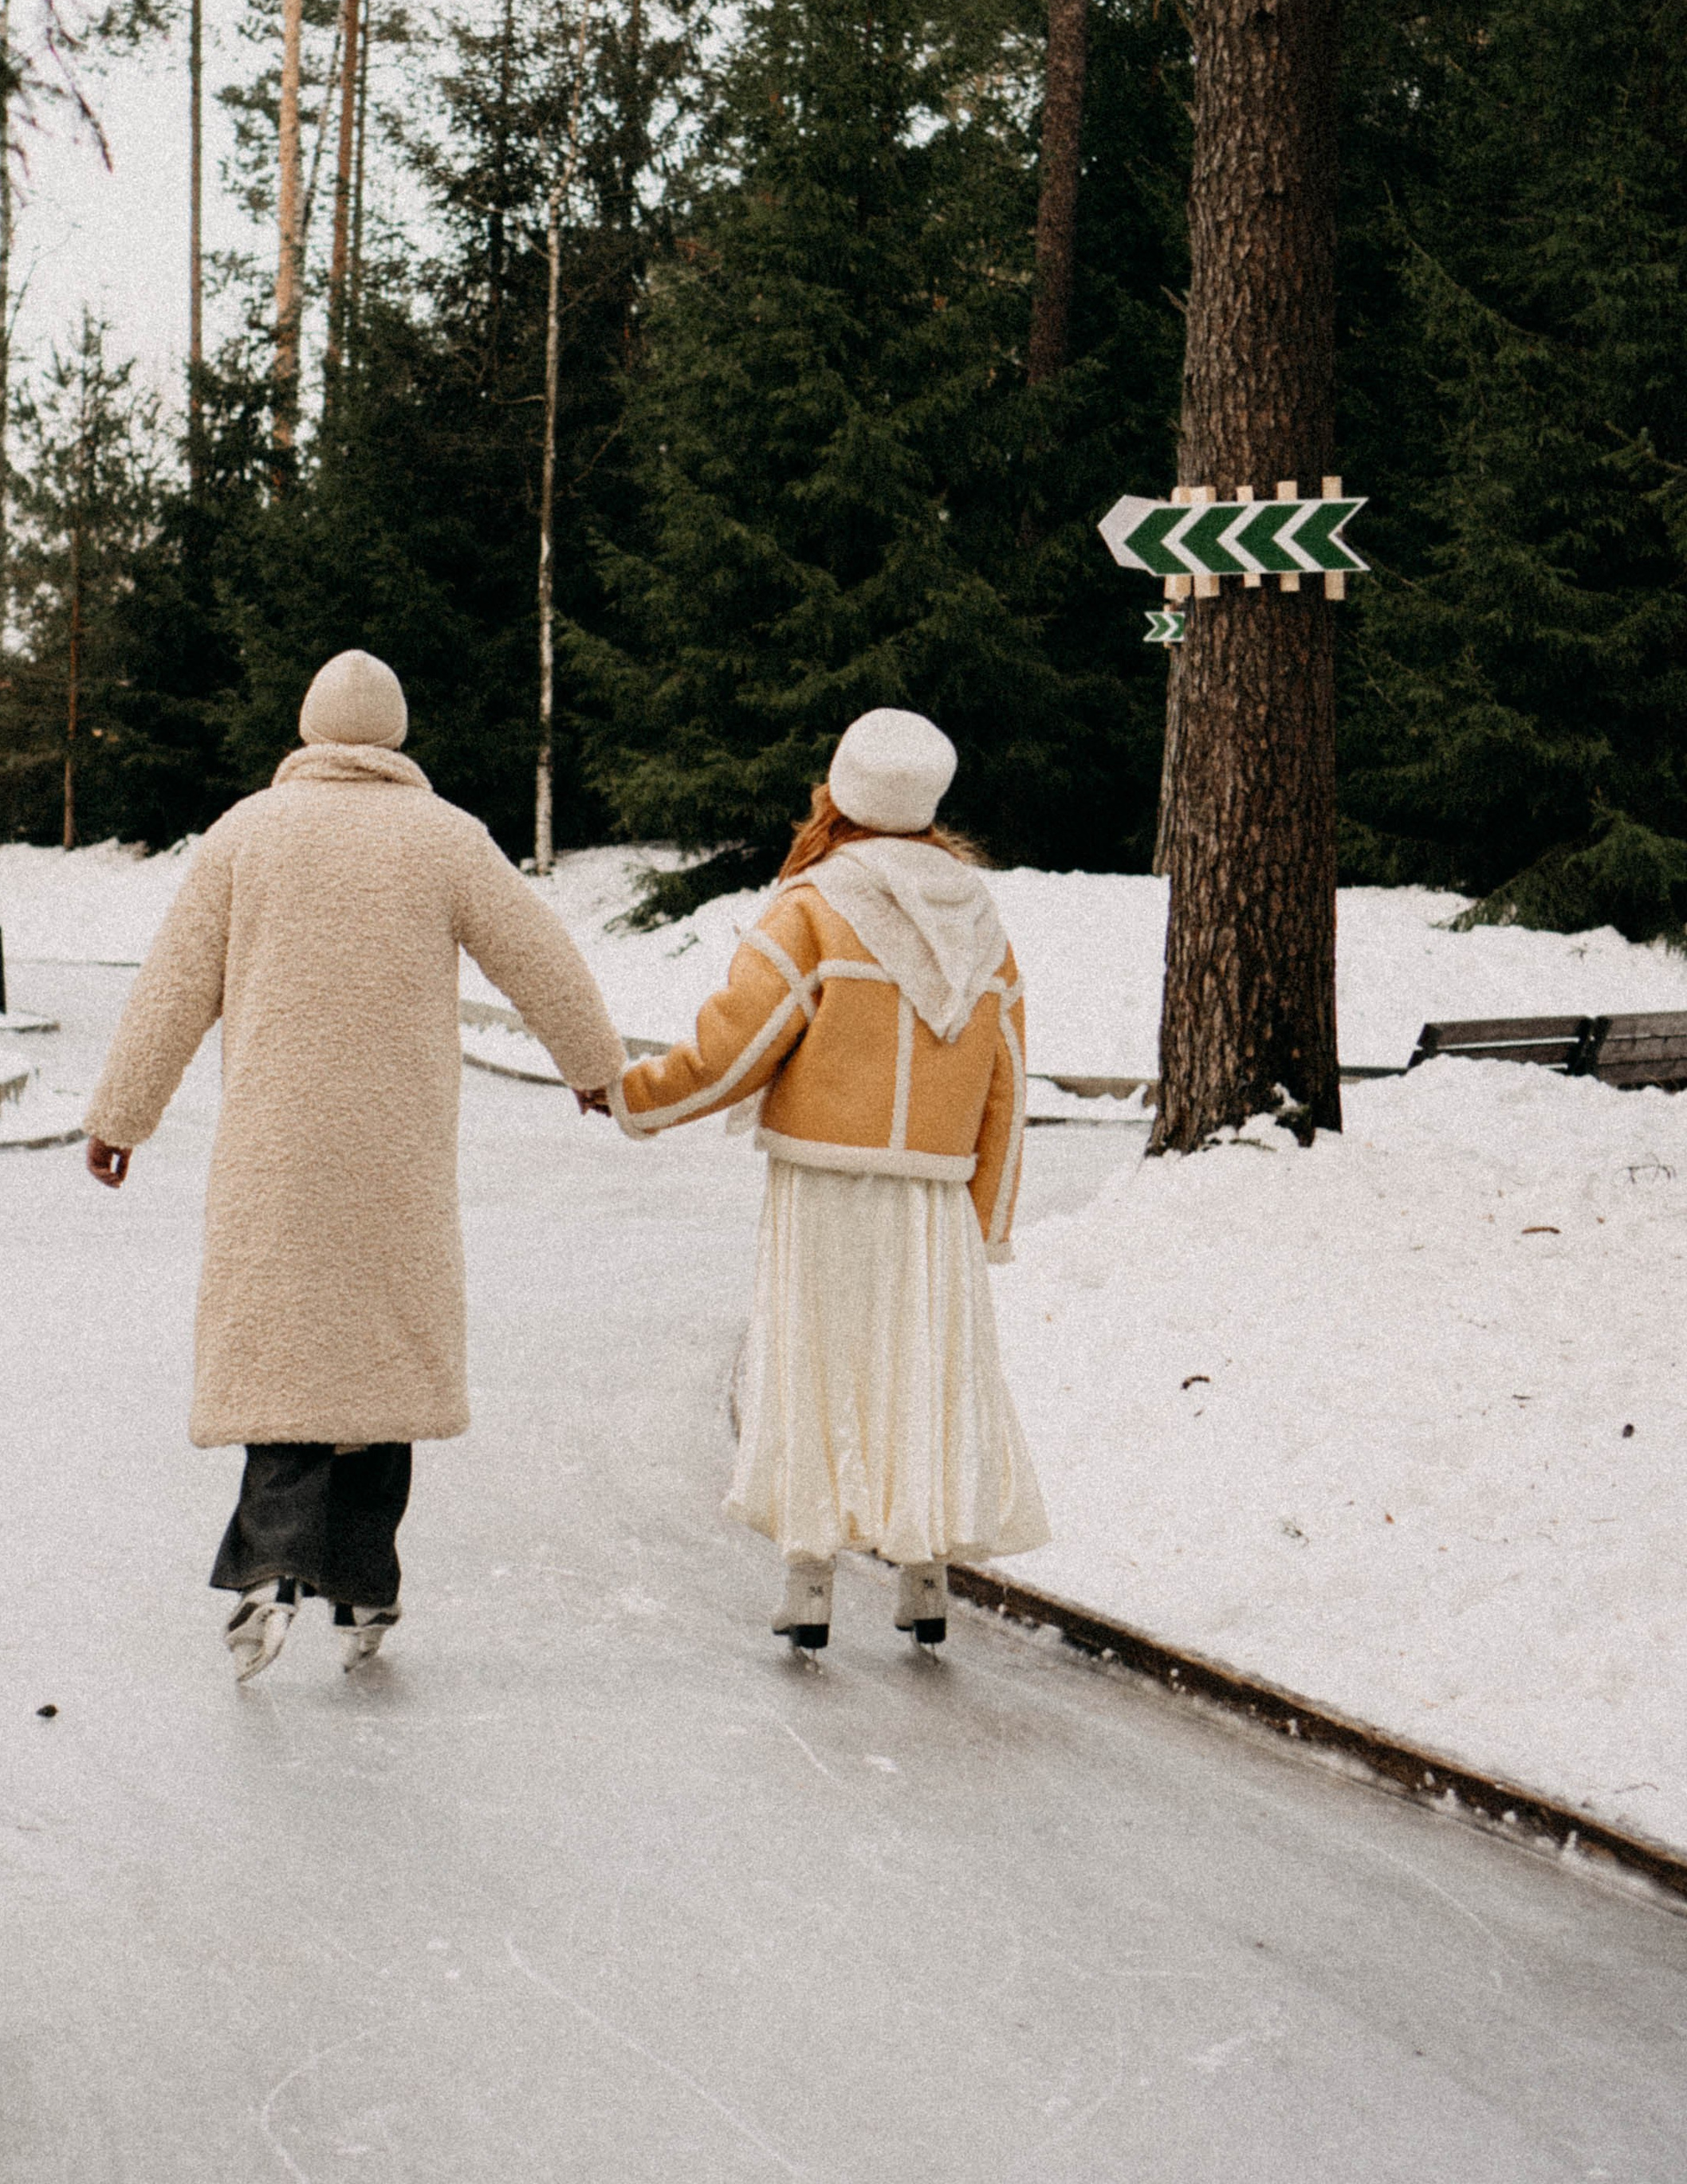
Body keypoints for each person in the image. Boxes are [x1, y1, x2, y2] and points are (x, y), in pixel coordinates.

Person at [81, 649, 624, 1680]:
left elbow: (171, 990)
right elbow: (540, 954)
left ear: (309, 729)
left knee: (285, 1355)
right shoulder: (446, 838)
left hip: (273, 1156)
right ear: (396, 735)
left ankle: (268, 1567)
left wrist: (121, 1117)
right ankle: (365, 1591)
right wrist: (592, 1066)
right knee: (380, 1359)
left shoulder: (246, 835)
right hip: (396, 1156)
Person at [600, 707, 1049, 1653]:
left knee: (817, 1368)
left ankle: (809, 1583)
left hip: (824, 1185)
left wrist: (634, 1098)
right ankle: (924, 1577)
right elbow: (1007, 1078)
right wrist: (988, 1216)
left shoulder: (810, 906)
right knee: (920, 1370)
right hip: (932, 1195)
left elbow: (736, 1048)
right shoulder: (982, 920)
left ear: (838, 795)